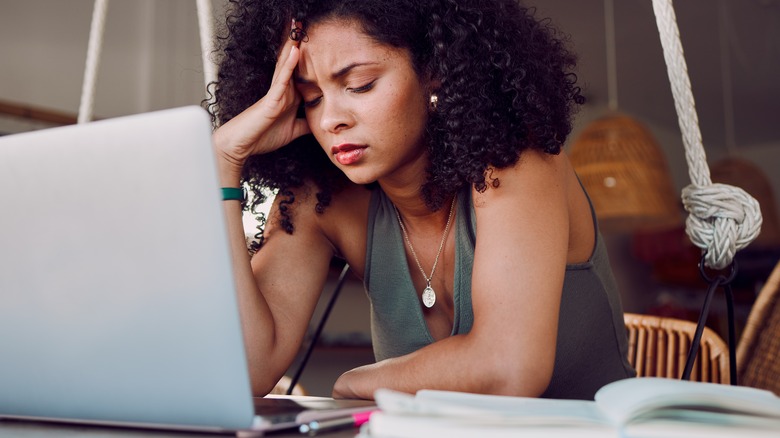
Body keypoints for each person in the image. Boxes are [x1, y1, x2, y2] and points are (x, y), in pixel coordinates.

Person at [206, 0, 635, 401]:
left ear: (434, 69)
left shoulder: (515, 159)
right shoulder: (323, 199)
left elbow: (509, 367)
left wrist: (356, 381)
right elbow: (244, 370)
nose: (331, 119)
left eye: (360, 85)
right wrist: (223, 164)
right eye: (311, 98)